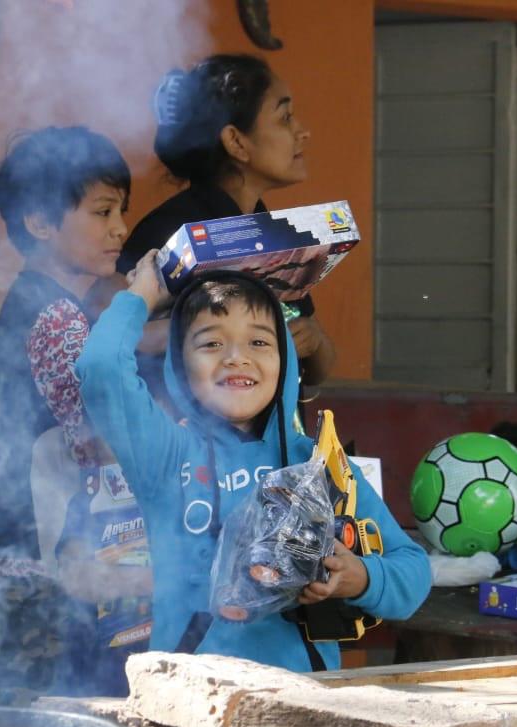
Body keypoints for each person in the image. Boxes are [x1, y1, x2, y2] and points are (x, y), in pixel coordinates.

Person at [76, 251, 431, 671]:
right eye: (211, 343)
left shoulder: (318, 463)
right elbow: (100, 368)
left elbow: (414, 572)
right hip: (190, 693)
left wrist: (361, 577)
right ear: (178, 364)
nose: (236, 358)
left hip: (307, 700)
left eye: (259, 342)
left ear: (286, 362)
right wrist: (141, 294)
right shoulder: (166, 454)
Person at [0, 126, 151, 695]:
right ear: (39, 222)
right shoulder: (56, 317)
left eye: (121, 210)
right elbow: (107, 433)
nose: (120, 228)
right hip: (47, 563)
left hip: (27, 554)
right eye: (102, 212)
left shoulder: (44, 304)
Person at [119, 54, 336, 389]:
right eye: (285, 117)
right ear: (236, 142)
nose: (302, 132)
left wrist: (315, 340)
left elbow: (316, 370)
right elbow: (122, 341)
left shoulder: (273, 230)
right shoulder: (169, 232)